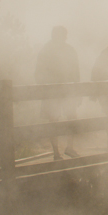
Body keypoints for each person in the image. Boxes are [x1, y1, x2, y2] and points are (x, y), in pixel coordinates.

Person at [35, 26, 81, 159]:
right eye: (62, 35)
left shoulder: (69, 50)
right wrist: (44, 87)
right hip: (52, 91)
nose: (64, 37)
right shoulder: (46, 50)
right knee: (53, 120)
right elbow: (39, 72)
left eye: (64, 35)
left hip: (68, 90)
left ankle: (69, 147)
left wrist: (78, 90)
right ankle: (56, 152)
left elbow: (76, 71)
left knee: (71, 117)